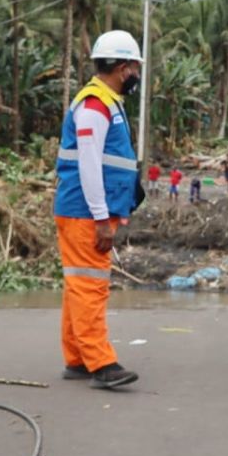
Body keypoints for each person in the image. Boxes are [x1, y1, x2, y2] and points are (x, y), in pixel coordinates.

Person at [53, 29, 143, 390]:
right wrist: (102, 217)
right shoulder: (94, 105)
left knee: (79, 284)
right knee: (90, 284)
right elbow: (90, 165)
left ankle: (77, 357)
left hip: (84, 209)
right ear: (123, 67)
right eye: (135, 67)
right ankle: (101, 362)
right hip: (84, 211)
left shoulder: (105, 101)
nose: (136, 73)